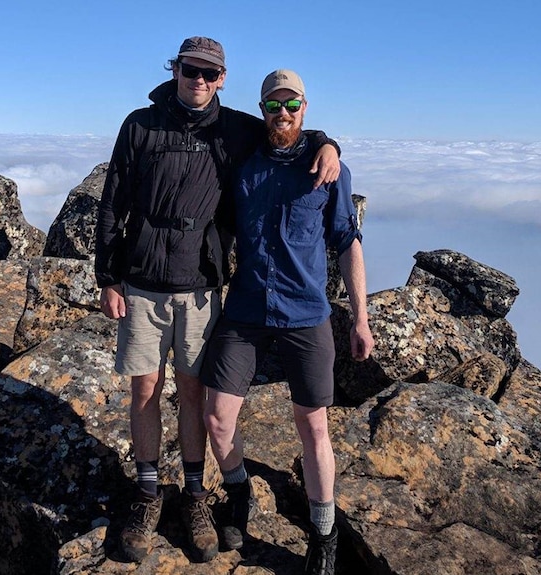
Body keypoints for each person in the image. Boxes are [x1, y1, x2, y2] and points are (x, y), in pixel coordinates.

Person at [94, 38, 341, 564]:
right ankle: (146, 491)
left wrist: (328, 143)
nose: (199, 80)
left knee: (191, 392)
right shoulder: (140, 124)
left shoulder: (235, 128)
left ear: (223, 78)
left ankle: (193, 492)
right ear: (176, 70)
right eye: (190, 70)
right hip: (140, 279)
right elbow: (113, 199)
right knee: (144, 388)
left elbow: (288, 130)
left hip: (201, 282)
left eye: (209, 72)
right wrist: (107, 277)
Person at [202, 69, 374, 575]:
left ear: (305, 106)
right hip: (248, 309)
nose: (283, 114)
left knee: (313, 425)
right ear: (261, 110)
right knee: (217, 417)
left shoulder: (327, 169)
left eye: (291, 104)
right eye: (273, 105)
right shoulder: (244, 163)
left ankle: (323, 535)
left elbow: (347, 240)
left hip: (306, 313)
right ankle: (238, 496)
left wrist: (360, 319)